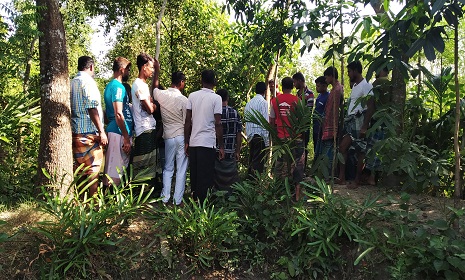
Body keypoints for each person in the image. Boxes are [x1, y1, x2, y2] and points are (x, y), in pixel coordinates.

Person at [70, 55, 108, 197]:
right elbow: (92, 108)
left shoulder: (71, 83)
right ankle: (93, 206)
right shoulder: (88, 82)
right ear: (91, 67)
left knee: (80, 171)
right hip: (89, 133)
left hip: (76, 133)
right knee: (94, 170)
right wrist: (101, 131)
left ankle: (80, 202)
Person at [184, 70, 224, 203]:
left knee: (195, 175)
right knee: (205, 176)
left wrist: (186, 142)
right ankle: (203, 206)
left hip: (194, 142)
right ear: (214, 82)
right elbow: (218, 123)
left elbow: (188, 121)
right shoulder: (216, 98)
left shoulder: (192, 96)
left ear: (201, 80)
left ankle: (194, 202)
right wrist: (221, 146)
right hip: (207, 143)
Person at [336, 61, 374, 187]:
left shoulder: (366, 85)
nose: (348, 74)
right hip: (350, 120)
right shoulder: (355, 85)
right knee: (342, 147)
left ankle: (357, 180)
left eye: (349, 71)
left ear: (356, 71)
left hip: (359, 120)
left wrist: (364, 126)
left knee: (360, 151)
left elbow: (370, 106)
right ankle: (341, 177)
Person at [153, 71, 188, 206]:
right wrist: (187, 141)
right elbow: (187, 123)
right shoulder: (184, 100)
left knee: (168, 168)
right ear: (181, 83)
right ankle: (177, 200)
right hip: (180, 136)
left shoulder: (162, 95)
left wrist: (157, 70)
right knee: (181, 169)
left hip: (168, 137)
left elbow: (154, 89)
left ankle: (165, 197)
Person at [270, 77, 305, 201]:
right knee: (297, 165)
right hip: (295, 138)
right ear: (292, 86)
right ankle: (297, 194)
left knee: (280, 165)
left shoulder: (275, 101)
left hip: (281, 139)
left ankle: (278, 193)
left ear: (282, 87)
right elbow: (301, 121)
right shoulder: (298, 101)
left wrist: (274, 137)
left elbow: (271, 121)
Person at [103, 57, 133, 186]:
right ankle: (110, 200)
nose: (129, 73)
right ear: (122, 70)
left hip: (118, 131)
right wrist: (126, 137)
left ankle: (114, 199)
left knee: (119, 168)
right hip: (118, 132)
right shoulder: (118, 87)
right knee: (114, 170)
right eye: (128, 70)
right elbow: (118, 113)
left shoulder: (111, 86)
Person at [131, 53, 158, 183]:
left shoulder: (143, 85)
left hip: (148, 127)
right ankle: (140, 195)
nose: (152, 70)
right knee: (143, 165)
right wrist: (154, 106)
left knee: (149, 164)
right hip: (144, 128)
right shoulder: (138, 85)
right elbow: (149, 108)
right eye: (151, 67)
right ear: (144, 67)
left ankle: (145, 194)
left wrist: (151, 104)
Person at [364, 66, 393, 185]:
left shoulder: (377, 83)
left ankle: (371, 177)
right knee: (382, 150)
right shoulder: (391, 85)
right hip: (388, 121)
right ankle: (378, 178)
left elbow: (371, 103)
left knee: (372, 149)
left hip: (377, 120)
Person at [214, 89, 242, 194]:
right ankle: (230, 196)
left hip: (216, 152)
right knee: (231, 178)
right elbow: (238, 134)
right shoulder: (235, 113)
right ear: (228, 98)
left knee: (216, 177)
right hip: (230, 152)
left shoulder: (215, 113)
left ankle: (217, 196)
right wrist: (237, 150)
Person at [320, 67, 343, 177]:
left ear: (331, 76)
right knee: (327, 150)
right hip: (328, 124)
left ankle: (328, 175)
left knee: (329, 152)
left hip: (332, 124)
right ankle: (327, 174)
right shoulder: (334, 89)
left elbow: (335, 109)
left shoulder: (337, 89)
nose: (325, 79)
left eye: (326, 76)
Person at [244, 82, 269, 176]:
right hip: (260, 135)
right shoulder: (263, 103)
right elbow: (265, 122)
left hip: (250, 135)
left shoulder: (249, 104)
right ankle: (255, 184)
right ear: (264, 91)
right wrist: (266, 141)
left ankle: (249, 182)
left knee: (252, 159)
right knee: (258, 163)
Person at [292, 72, 314, 167]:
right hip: (296, 126)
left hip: (304, 126)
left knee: (303, 147)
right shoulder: (297, 95)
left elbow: (308, 111)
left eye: (295, 82)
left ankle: (303, 169)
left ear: (300, 81)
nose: (294, 84)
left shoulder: (309, 94)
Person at [313, 76, 330, 160]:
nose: (317, 88)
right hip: (316, 126)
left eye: (318, 86)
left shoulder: (328, 97)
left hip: (322, 127)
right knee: (315, 145)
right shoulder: (319, 96)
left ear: (324, 86)